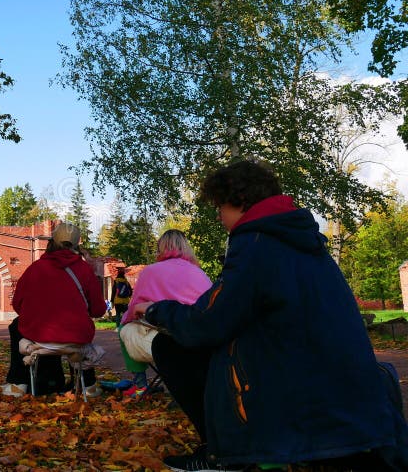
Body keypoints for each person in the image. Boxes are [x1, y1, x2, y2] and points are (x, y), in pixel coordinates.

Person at [134, 159, 408, 471]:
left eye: (220, 207)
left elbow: (206, 323)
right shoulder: (302, 240)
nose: (219, 217)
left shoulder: (256, 242)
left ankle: (222, 456)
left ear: (238, 202)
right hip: (348, 396)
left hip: (304, 396)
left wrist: (156, 310)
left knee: (172, 348)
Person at [0, 222, 107, 398]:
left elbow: (18, 305)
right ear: (77, 243)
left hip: (40, 340)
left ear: (52, 241)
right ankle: (88, 385)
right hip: (76, 340)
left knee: (16, 325)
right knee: (80, 328)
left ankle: (18, 383)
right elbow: (98, 310)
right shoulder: (85, 270)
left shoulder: (35, 269)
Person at [117, 229, 211, 398]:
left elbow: (132, 311)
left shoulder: (150, 271)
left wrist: (126, 319)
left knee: (123, 327)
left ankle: (140, 384)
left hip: (163, 341)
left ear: (161, 248)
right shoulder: (199, 273)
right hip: (199, 341)